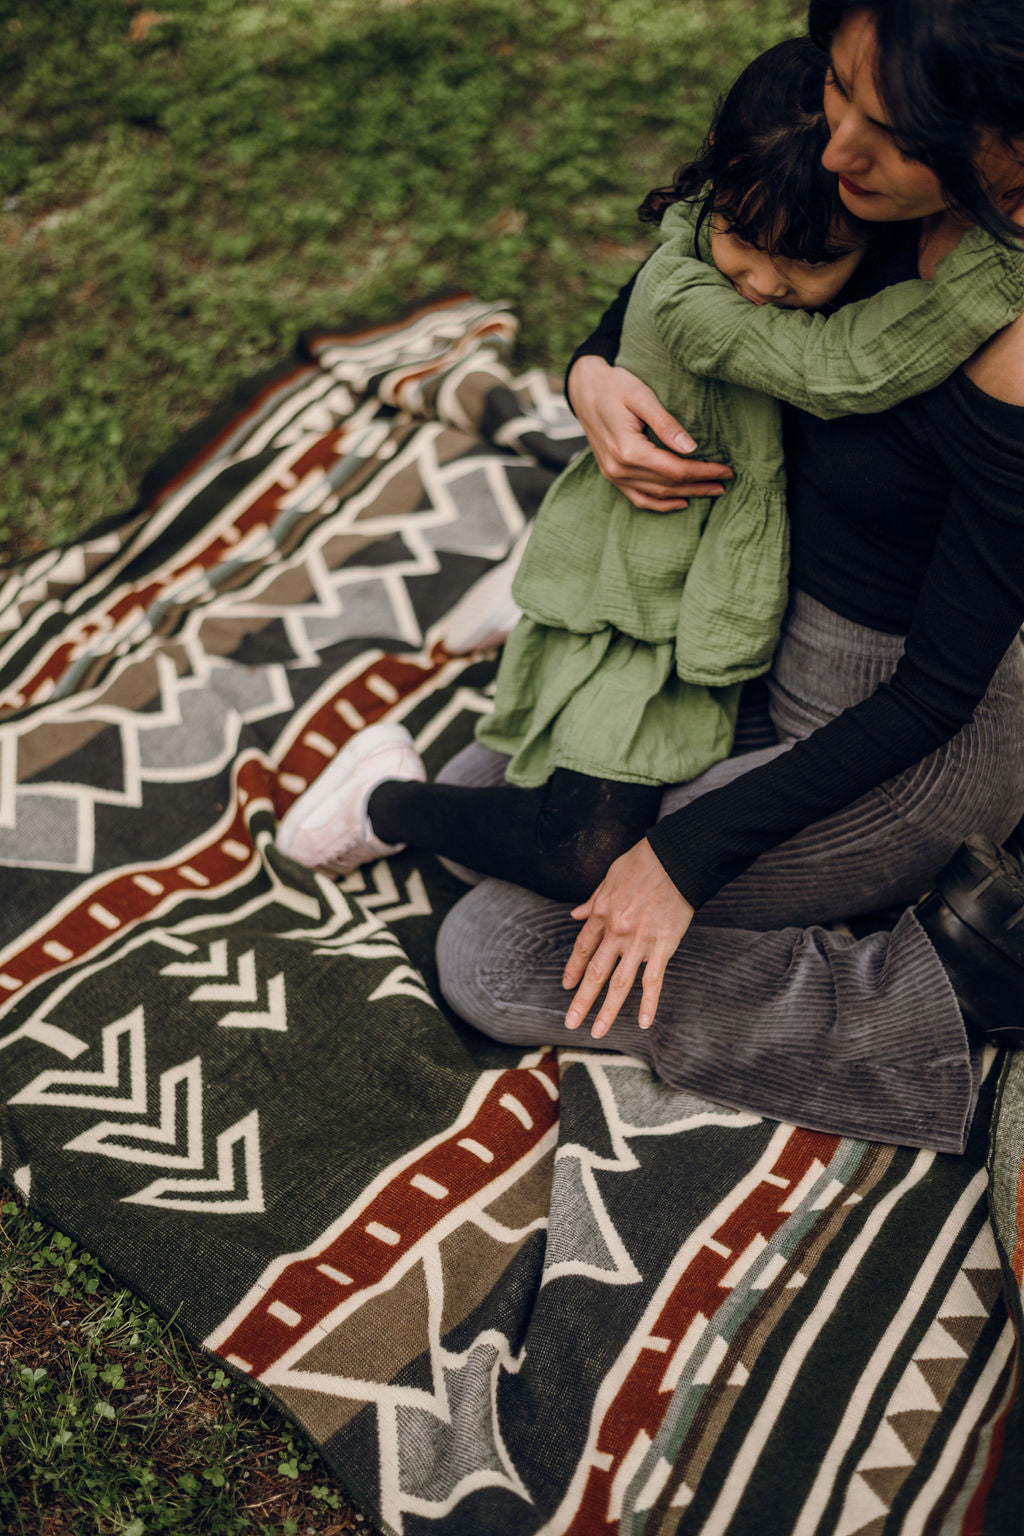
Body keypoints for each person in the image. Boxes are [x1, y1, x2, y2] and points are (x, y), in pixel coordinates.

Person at [277, 35, 1023, 923]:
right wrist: (590, 374)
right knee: (500, 804)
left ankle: (946, 983)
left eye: (890, 125)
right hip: (731, 616)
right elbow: (687, 277)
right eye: (841, 94)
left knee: (509, 927)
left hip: (893, 725)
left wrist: (682, 862)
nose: (759, 283)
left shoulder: (921, 250)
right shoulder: (849, 200)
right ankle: (546, 614)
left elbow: (845, 367)